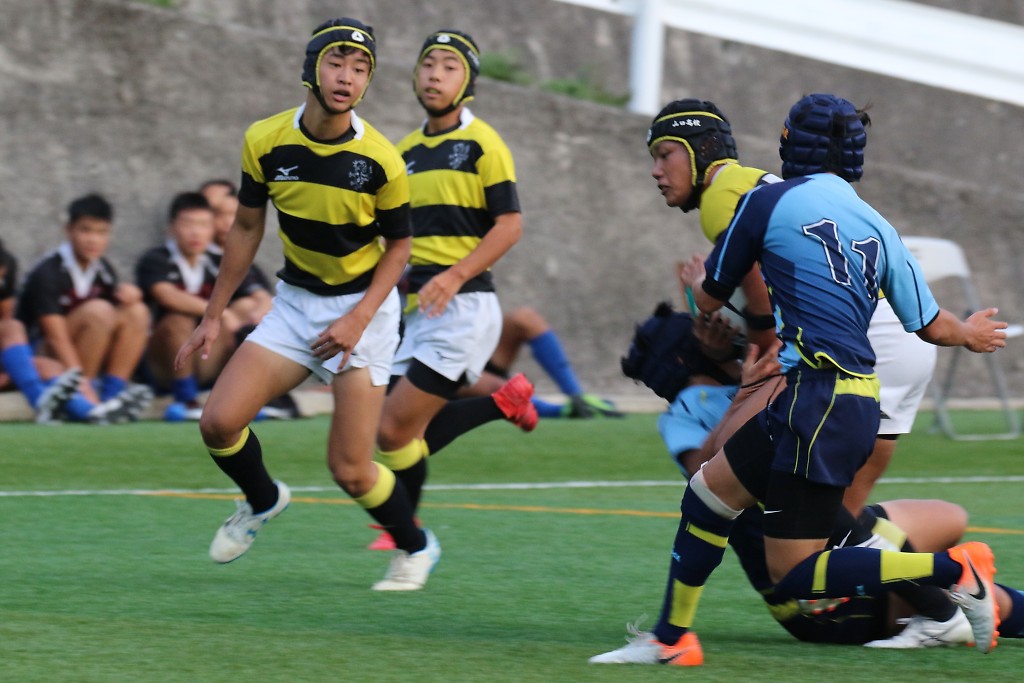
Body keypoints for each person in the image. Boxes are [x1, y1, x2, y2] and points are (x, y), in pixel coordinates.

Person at [591, 93, 1009, 665]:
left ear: (789, 145)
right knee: (708, 496)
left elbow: (712, 296)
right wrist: (972, 333)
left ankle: (953, 571)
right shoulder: (878, 223)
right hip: (840, 398)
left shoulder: (764, 202)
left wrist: (694, 288)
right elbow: (932, 325)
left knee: (795, 573)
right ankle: (672, 640)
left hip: (820, 398)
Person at [174, 18, 437, 591]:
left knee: (350, 470)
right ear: (311, 68)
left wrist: (358, 319)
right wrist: (213, 314)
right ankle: (262, 499)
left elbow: (400, 248)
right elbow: (246, 227)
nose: (347, 77)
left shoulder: (382, 160)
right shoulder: (264, 140)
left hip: (363, 311)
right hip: (296, 306)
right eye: (336, 62)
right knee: (218, 423)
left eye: (360, 68)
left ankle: (416, 546)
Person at [621, 305, 1024, 649]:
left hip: (826, 530)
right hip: (821, 604)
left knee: (947, 518)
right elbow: (704, 472)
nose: (728, 329)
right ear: (686, 356)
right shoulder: (688, 410)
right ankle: (951, 600)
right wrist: (746, 392)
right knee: (969, 595)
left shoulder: (751, 374)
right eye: (706, 328)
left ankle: (947, 592)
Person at [372, 28, 536, 556]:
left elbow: (510, 225)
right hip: (416, 309)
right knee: (393, 428)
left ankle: (405, 533)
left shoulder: (484, 143)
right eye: (428, 64)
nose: (435, 75)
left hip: (464, 306)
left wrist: (454, 274)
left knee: (394, 429)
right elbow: (394, 238)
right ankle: (503, 402)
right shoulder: (401, 151)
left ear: (468, 82)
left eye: (449, 66)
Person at [15, 194, 153, 417]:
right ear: (69, 230)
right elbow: (56, 337)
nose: (93, 240)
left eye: (101, 232)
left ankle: (111, 396)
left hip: (82, 354)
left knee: (137, 311)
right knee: (99, 312)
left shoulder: (103, 270)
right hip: (43, 354)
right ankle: (85, 396)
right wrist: (83, 386)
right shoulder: (48, 272)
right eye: (86, 230)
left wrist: (130, 296)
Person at [137, 192, 252, 420]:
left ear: (212, 229)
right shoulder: (156, 259)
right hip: (164, 366)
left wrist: (243, 311)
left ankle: (246, 396)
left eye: (203, 225)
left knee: (244, 310)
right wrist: (220, 314)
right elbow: (167, 296)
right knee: (178, 320)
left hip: (208, 362)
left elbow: (254, 296)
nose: (196, 232)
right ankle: (186, 398)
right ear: (172, 228)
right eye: (188, 224)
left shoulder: (219, 262)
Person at [459, 306, 623, 419]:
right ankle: (563, 411)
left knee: (525, 318)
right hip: (451, 371)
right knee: (495, 386)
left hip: (472, 352)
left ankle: (578, 397)